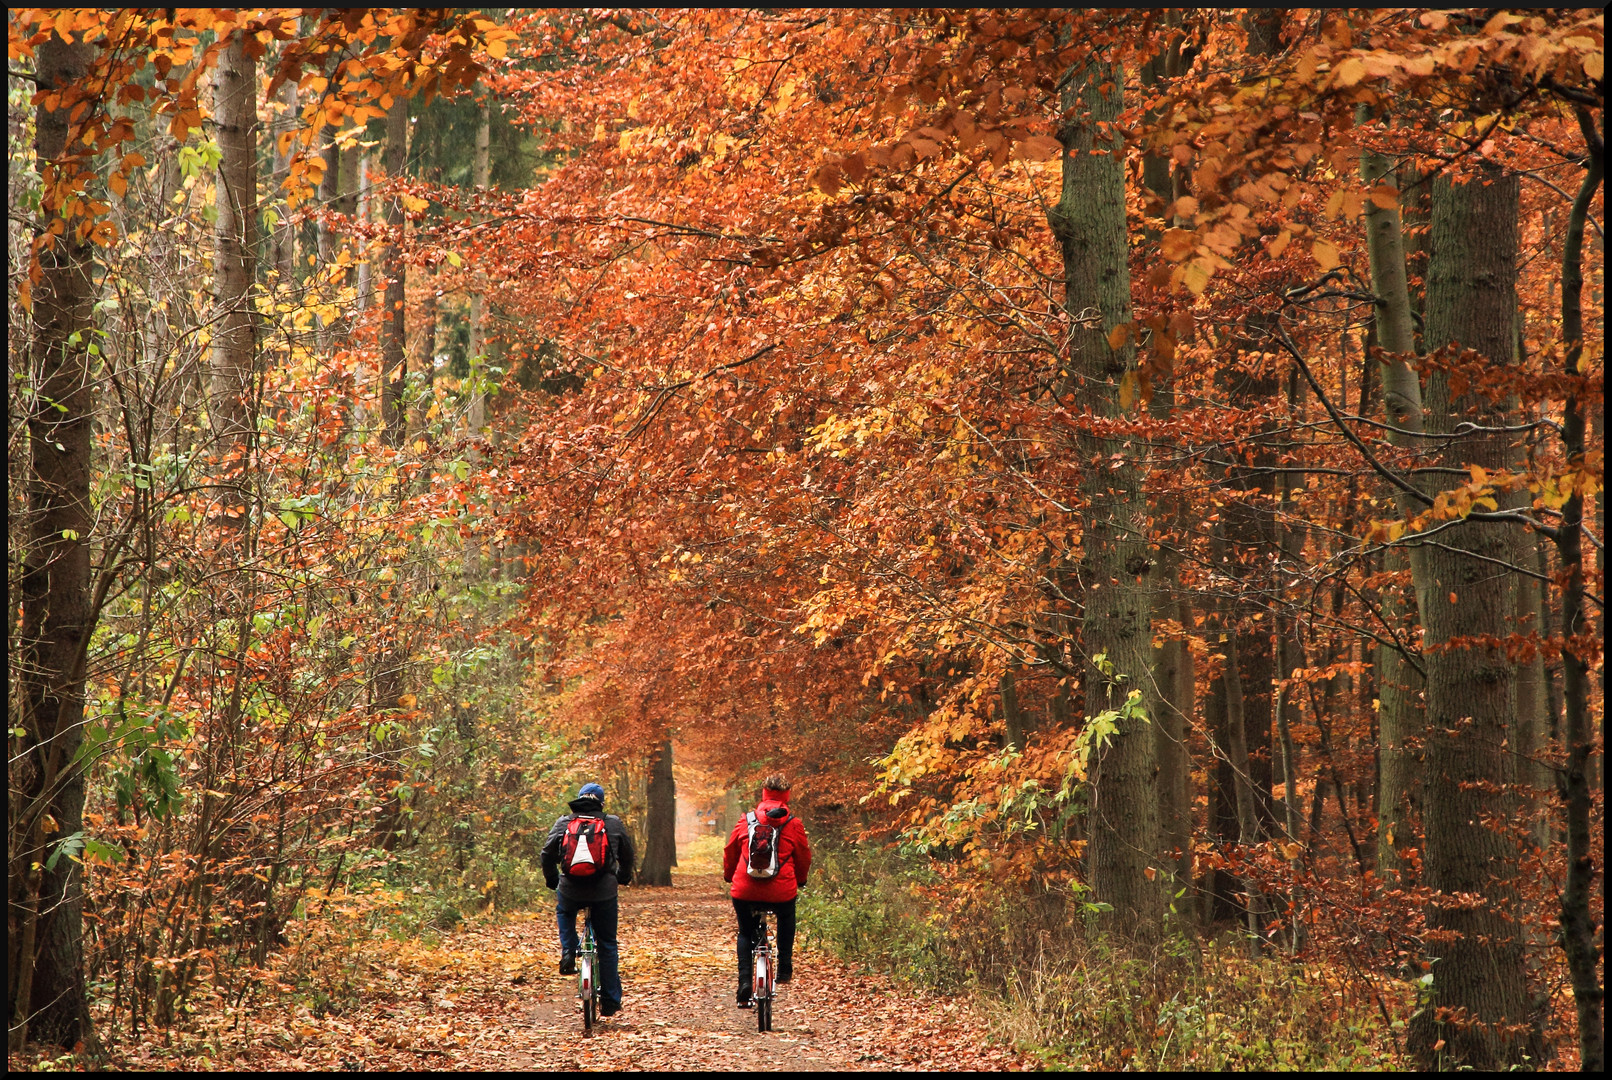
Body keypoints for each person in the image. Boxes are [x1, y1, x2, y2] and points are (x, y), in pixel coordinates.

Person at [542, 782, 636, 1017]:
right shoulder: (612, 822)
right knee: (607, 944)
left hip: (571, 889)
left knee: (564, 911)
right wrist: (623, 877)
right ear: (601, 802)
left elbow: (547, 853)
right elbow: (628, 854)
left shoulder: (564, 822)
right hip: (604, 891)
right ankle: (611, 1001)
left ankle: (568, 951)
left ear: (580, 798)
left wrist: (553, 879)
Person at [723, 773, 811, 1008]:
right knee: (786, 915)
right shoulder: (793, 824)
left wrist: (729, 875)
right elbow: (803, 857)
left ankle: (744, 982)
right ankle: (784, 967)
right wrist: (800, 880)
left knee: (744, 932)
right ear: (786, 797)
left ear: (763, 794)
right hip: (781, 891)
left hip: (745, 889)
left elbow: (730, 850)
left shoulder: (747, 820)